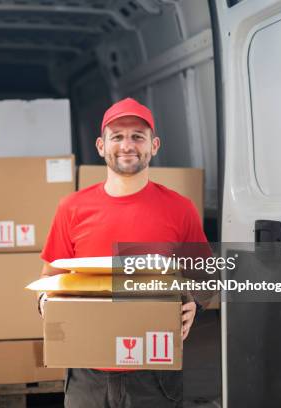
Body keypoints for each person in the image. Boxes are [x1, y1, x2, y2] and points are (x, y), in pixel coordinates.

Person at [37, 97, 208, 408]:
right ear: (101, 146)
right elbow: (50, 278)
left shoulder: (179, 209)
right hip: (87, 373)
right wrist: (45, 302)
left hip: (154, 375)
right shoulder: (72, 208)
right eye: (117, 136)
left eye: (137, 137)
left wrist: (193, 303)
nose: (127, 145)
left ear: (154, 145)